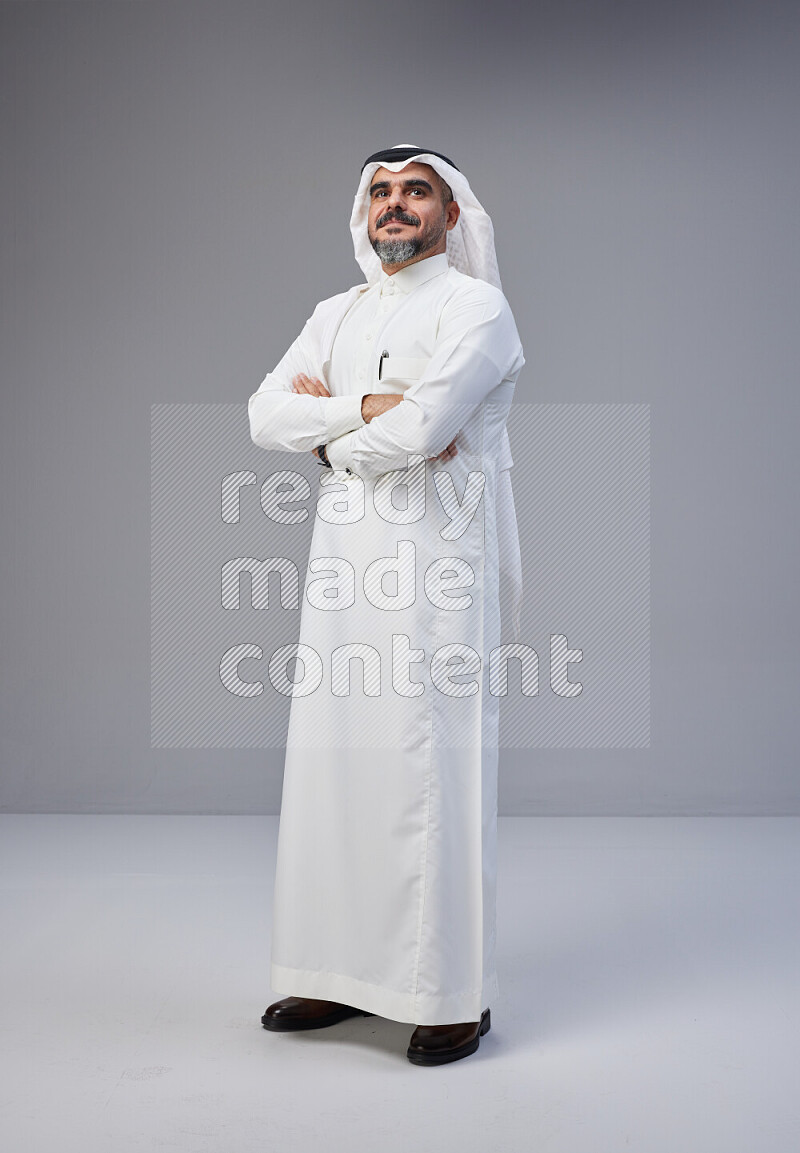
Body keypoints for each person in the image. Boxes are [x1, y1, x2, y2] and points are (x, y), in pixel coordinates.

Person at [247, 145, 524, 1066]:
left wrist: (333, 432)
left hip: (439, 566)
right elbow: (262, 413)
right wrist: (369, 411)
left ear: (450, 214)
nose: (395, 205)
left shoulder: (474, 307)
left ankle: (448, 991)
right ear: (363, 212)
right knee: (335, 758)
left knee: (427, 766)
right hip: (343, 569)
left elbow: (430, 426)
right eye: (381, 192)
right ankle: (334, 973)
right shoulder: (335, 312)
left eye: (417, 191)